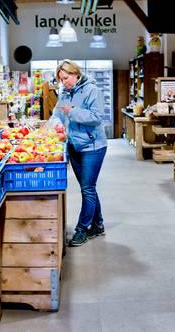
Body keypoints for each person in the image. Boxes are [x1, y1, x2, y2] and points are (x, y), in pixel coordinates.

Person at [53, 60, 108, 246]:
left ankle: (82, 229)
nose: (64, 82)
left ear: (76, 73)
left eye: (66, 78)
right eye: (61, 80)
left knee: (87, 188)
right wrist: (53, 126)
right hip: (74, 146)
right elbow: (57, 114)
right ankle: (98, 224)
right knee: (88, 187)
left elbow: (97, 117)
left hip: (93, 146)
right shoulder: (65, 93)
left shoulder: (92, 90)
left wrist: (73, 112)